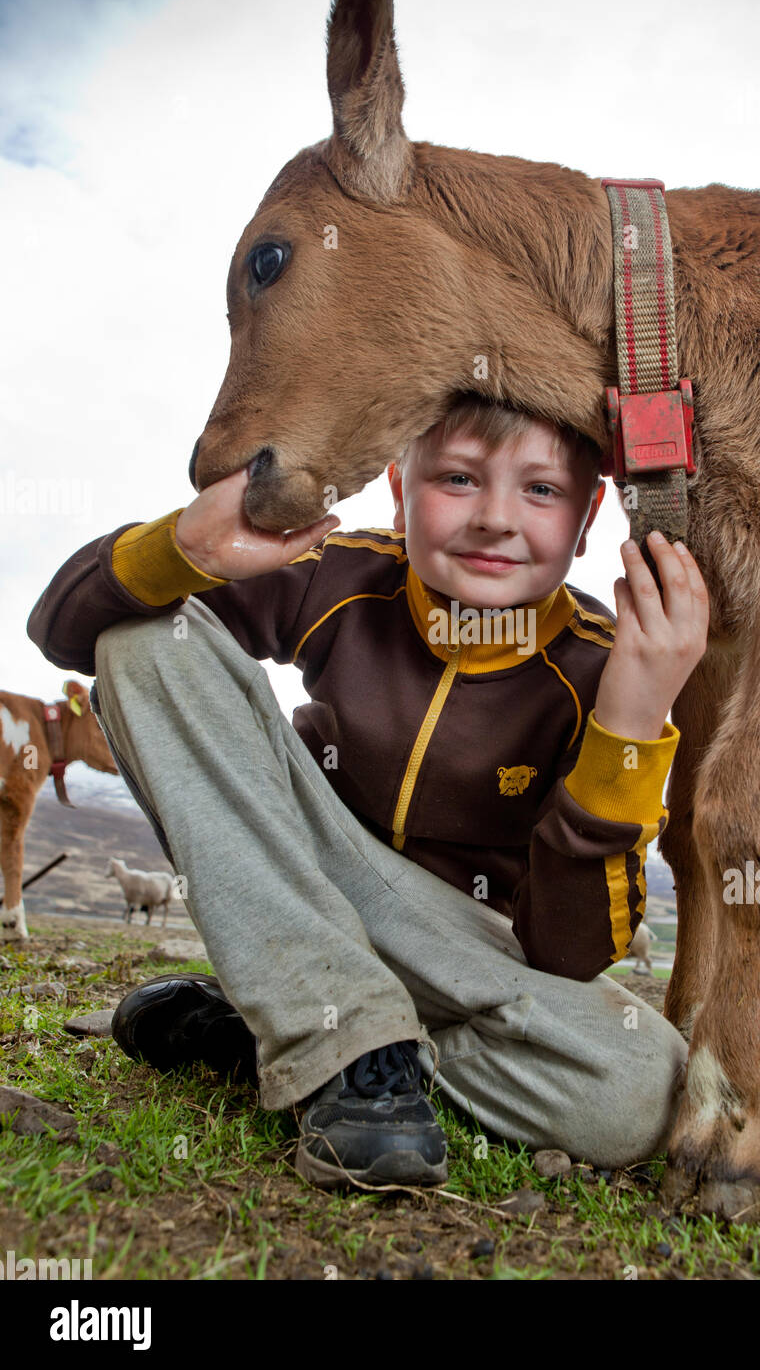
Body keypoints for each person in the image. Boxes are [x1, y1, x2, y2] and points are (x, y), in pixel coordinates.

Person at [26, 394, 709, 1190]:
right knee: (148, 636)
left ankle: (300, 1035)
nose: (494, 518)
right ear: (397, 482)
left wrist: (631, 721)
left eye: (542, 490)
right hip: (311, 877)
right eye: (457, 477)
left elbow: (568, 955)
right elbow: (66, 631)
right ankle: (346, 1039)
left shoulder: (605, 666)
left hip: (463, 953)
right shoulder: (347, 576)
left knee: (643, 1084)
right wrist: (184, 546)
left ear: (589, 516)